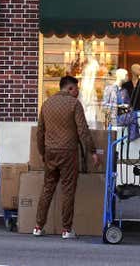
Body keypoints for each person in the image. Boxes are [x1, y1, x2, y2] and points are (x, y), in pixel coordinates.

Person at [33, 76, 99, 239]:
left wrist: (42, 152)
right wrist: (92, 151)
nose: (78, 92)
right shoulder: (74, 104)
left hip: (50, 151)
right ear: (70, 88)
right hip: (68, 152)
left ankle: (38, 227)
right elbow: (83, 130)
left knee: (48, 188)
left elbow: (40, 131)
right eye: (76, 89)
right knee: (68, 190)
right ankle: (66, 229)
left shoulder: (46, 104)